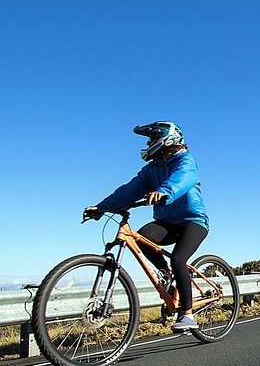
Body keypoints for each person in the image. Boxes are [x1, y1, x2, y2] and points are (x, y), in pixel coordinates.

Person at [83, 121, 209, 332]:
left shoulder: (186, 161)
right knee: (143, 237)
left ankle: (187, 314)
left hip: (193, 221)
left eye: (151, 138)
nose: (149, 143)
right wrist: (102, 207)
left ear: (165, 139)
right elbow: (129, 190)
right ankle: (166, 273)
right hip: (167, 222)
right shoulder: (151, 170)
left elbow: (183, 178)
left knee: (178, 259)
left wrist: (164, 191)